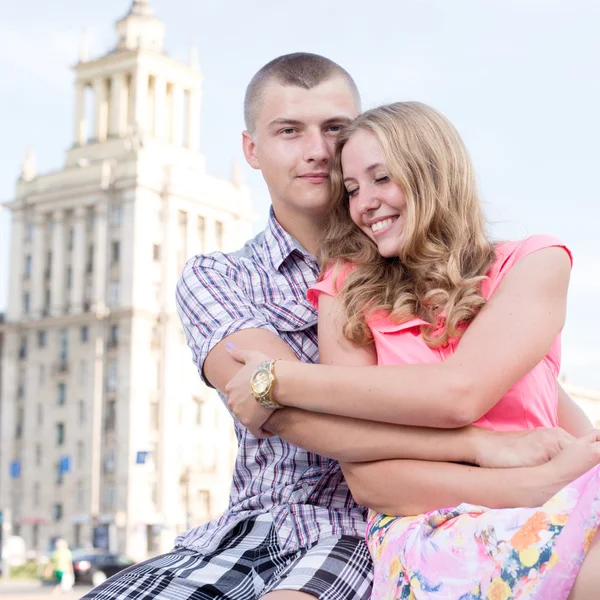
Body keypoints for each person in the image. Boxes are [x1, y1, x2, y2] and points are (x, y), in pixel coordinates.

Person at [83, 54, 578, 600]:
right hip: (265, 524)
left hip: (362, 532)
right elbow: (289, 415)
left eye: (335, 129)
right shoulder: (223, 278)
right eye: (289, 131)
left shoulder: (442, 273)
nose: (317, 149)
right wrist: (485, 448)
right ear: (252, 149)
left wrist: (530, 456)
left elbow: (514, 392)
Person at [224, 102, 600, 599]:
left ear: (433, 174)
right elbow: (372, 482)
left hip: (561, 494)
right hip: (436, 532)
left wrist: (276, 380)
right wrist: (529, 487)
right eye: (353, 189)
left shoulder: (534, 263)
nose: (365, 204)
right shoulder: (346, 289)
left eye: (382, 179)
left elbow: (460, 392)